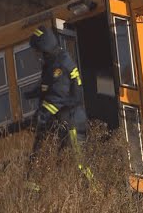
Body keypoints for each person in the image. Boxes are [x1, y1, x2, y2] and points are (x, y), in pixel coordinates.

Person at [26, 25, 94, 187]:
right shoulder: (56, 60)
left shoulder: (59, 66)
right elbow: (49, 86)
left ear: (45, 48)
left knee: (79, 164)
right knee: (60, 163)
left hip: (71, 121)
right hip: (66, 120)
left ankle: (96, 194)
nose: (36, 55)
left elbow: (57, 95)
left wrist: (41, 116)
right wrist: (34, 93)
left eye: (38, 51)